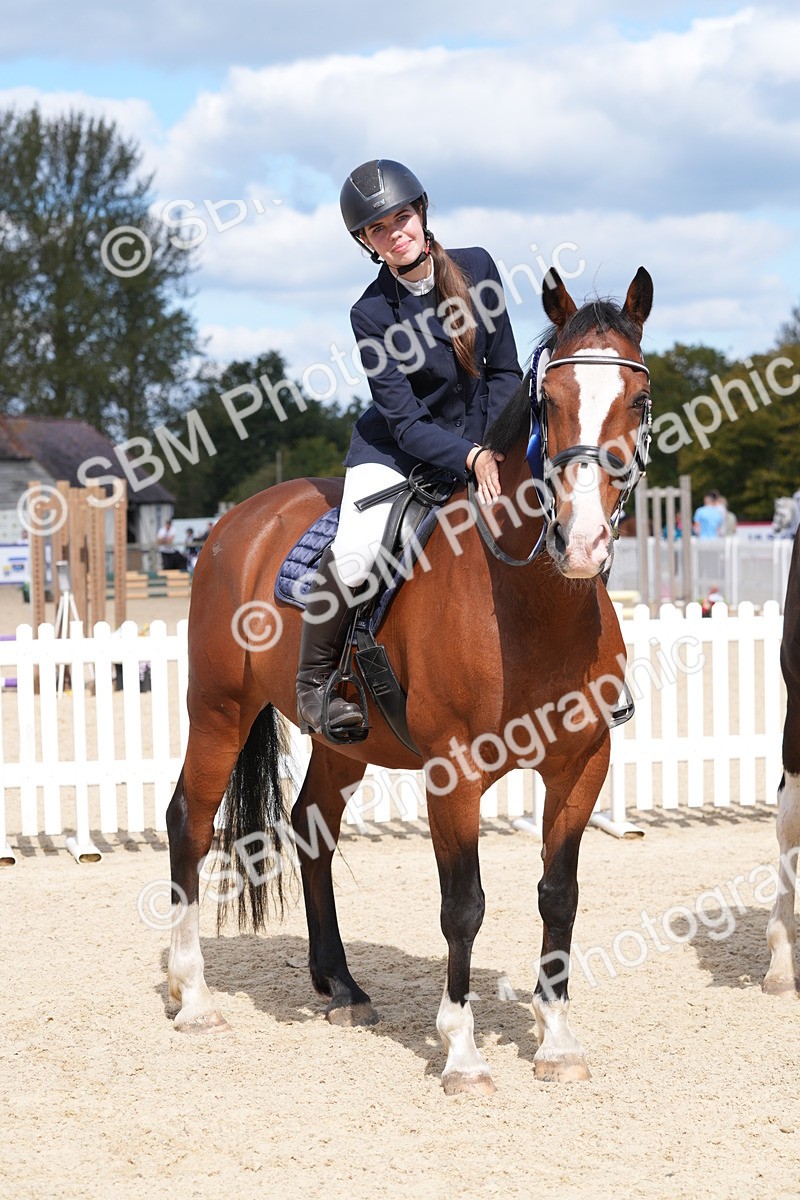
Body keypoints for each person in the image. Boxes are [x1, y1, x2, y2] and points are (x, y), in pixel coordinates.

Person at [295, 159, 523, 738]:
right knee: (356, 551)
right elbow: (405, 421)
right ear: (367, 243)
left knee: (561, 506)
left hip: (485, 437)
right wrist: (469, 458)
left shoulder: (478, 268)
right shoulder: (370, 314)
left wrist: (490, 448)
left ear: (421, 213)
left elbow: (503, 372)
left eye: (402, 218)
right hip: (397, 451)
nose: (395, 233)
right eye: (379, 229)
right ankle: (314, 686)